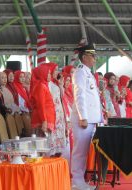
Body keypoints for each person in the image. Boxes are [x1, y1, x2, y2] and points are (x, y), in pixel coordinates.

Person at [71, 43, 102, 190]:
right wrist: (83, 116)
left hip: (91, 120)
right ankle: (77, 182)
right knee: (80, 152)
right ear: (84, 57)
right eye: (93, 56)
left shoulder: (88, 72)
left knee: (84, 152)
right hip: (83, 120)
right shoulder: (80, 72)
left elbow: (93, 97)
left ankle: (80, 181)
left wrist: (101, 115)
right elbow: (79, 95)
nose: (95, 59)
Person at [30, 64, 55, 136]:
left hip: (45, 120)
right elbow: (41, 105)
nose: (50, 75)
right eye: (48, 73)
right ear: (43, 74)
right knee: (42, 145)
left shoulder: (43, 85)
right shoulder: (40, 86)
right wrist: (44, 121)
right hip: (42, 121)